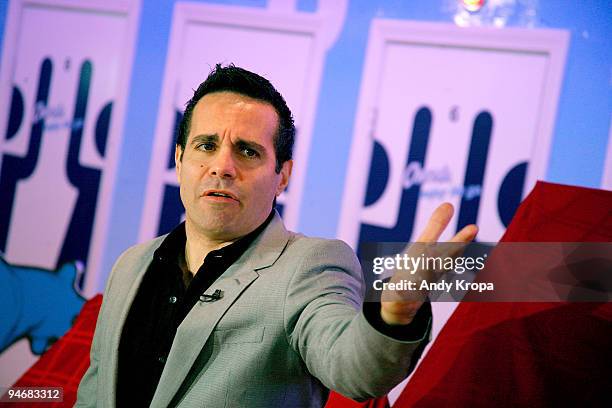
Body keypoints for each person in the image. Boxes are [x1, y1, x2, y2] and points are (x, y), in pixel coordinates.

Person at [76, 64, 477, 408]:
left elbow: (356, 369)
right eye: (206, 145)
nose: (222, 166)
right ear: (180, 159)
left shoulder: (311, 265)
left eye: (248, 151)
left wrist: (394, 315)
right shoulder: (131, 264)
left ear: (282, 175)